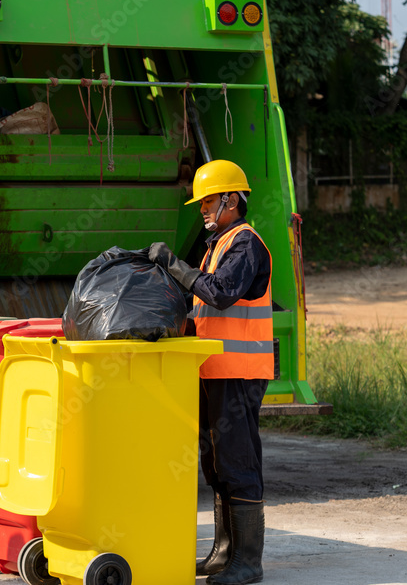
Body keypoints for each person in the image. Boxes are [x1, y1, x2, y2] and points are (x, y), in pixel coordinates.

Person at [149, 159, 272, 585]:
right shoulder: (217, 244)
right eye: (201, 201)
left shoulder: (245, 244)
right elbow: (202, 307)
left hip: (238, 373)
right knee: (216, 463)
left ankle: (248, 563)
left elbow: (219, 294)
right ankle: (224, 553)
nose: (202, 208)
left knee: (237, 461)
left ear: (232, 200)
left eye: (208, 200)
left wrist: (175, 266)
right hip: (214, 372)